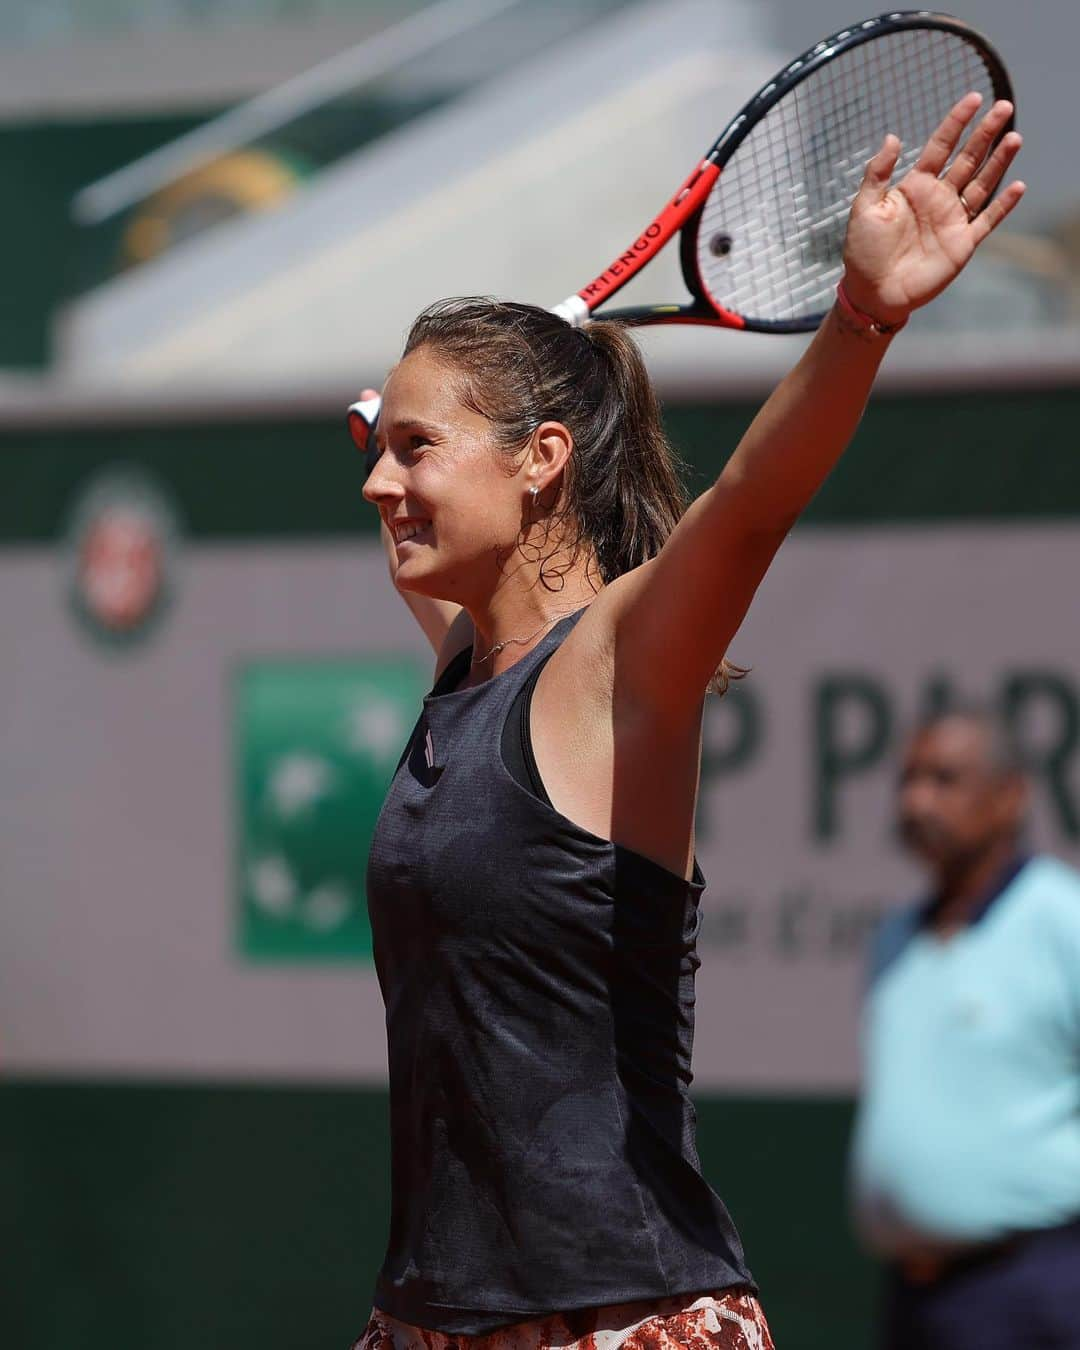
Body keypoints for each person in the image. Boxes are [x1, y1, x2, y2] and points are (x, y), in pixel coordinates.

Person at [354, 95, 1024, 1350]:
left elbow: (756, 498)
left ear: (542, 457)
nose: (378, 481)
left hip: (625, 1319)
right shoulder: (461, 668)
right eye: (375, 445)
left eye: (412, 447)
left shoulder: (621, 659)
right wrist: (416, 442)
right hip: (432, 1320)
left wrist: (863, 317)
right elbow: (424, 529)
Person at [850, 708, 1080, 1349]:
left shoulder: (1064, 920)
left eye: (944, 779)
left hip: (1039, 1288)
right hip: (915, 1297)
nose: (916, 799)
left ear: (1011, 797)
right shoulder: (893, 938)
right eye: (907, 779)